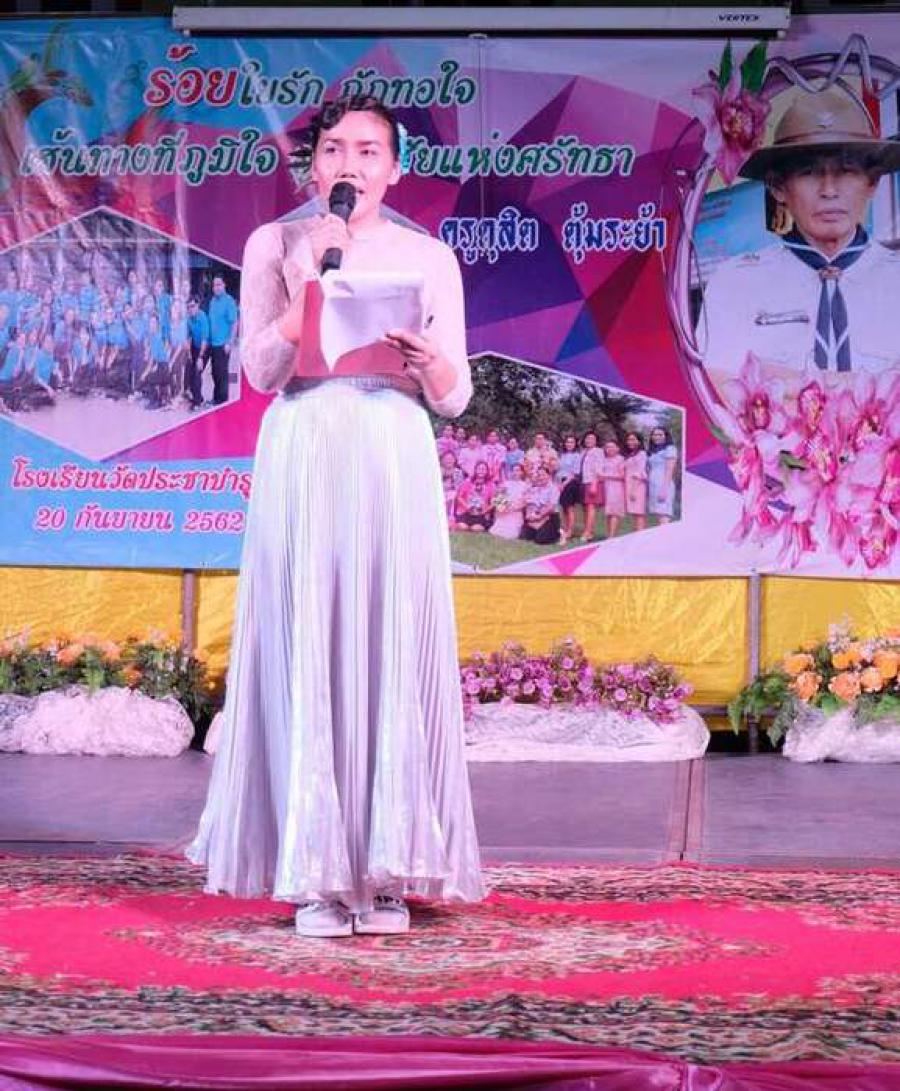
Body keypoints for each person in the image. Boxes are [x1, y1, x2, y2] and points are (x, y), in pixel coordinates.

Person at [188, 95, 484, 939]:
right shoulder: (274, 244)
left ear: (395, 168)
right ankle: (315, 871)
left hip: (391, 445)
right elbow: (258, 371)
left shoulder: (428, 257)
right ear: (313, 165)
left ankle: (388, 867)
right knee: (307, 636)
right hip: (307, 440)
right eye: (333, 150)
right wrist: (310, 289)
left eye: (367, 150)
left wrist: (429, 364)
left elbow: (457, 396)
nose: (348, 164)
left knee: (392, 637)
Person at [699, 85, 900, 381]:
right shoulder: (735, 282)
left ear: (872, 183)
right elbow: (715, 385)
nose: (829, 191)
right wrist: (865, 384)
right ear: (778, 187)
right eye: (809, 172)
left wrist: (781, 379)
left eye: (846, 171)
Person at [207, 274, 238, 404]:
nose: (217, 287)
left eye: (219, 284)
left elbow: (234, 323)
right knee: (215, 372)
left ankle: (223, 401)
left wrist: (229, 343)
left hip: (223, 344)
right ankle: (216, 398)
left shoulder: (229, 301)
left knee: (222, 373)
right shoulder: (212, 301)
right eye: (214, 285)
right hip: (213, 344)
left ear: (224, 285)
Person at [520, 464, 561, 544]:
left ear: (549, 476)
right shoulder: (535, 489)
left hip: (549, 516)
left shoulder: (553, 489)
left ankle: (557, 533)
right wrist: (530, 516)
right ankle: (537, 530)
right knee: (524, 536)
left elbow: (550, 507)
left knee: (541, 540)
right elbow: (529, 504)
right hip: (535, 515)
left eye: (543, 475)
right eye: (539, 475)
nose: (541, 477)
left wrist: (539, 516)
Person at [647, 426, 679, 524]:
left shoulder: (670, 449)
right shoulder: (653, 451)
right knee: (659, 514)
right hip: (653, 485)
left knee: (664, 514)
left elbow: (670, 469)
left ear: (666, 436)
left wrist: (664, 489)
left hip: (663, 484)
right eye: (654, 435)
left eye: (660, 434)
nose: (657, 437)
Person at [489, 461, 528, 540]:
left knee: (511, 535)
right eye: (513, 470)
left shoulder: (525, 486)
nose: (515, 473)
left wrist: (513, 508)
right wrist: (502, 508)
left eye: (517, 470)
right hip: (504, 512)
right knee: (495, 531)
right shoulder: (506, 484)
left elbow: (525, 502)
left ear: (522, 472)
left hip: (516, 512)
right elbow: (497, 499)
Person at [455, 459, 495, 531]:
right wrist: (467, 507)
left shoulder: (491, 485)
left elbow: (494, 501)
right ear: (475, 470)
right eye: (479, 469)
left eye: (483, 469)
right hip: (467, 511)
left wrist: (485, 510)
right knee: (463, 527)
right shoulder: (468, 482)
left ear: (487, 471)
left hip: (482, 513)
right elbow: (459, 497)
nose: (481, 471)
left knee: (475, 528)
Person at [579, 430, 604, 542]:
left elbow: (599, 468)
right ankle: (589, 531)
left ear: (596, 441)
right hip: (584, 481)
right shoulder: (584, 451)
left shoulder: (598, 451)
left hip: (592, 482)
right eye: (587, 438)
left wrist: (594, 484)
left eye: (592, 439)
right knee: (585, 508)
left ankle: (587, 532)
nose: (589, 440)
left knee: (591, 507)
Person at [556, 434, 582, 542]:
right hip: (560, 482)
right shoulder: (562, 455)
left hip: (570, 482)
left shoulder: (577, 456)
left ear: (575, 444)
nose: (569, 444)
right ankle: (565, 528)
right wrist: (558, 483)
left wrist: (564, 483)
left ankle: (570, 531)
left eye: (571, 442)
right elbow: (558, 470)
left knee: (569, 507)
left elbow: (575, 473)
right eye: (567, 442)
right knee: (563, 507)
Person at [186, 297, 210, 409]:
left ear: (198, 305)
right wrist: (189, 353)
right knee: (190, 373)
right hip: (195, 347)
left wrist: (200, 357)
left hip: (205, 348)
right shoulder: (189, 319)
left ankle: (198, 402)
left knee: (197, 372)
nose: (190, 309)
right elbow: (189, 336)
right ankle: (197, 398)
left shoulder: (202, 318)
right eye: (188, 307)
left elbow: (205, 339)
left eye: (192, 306)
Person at [599, 438, 625, 538]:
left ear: (617, 448)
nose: (609, 449)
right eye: (607, 447)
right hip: (606, 487)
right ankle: (609, 534)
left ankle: (612, 535)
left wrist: (606, 476)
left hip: (616, 487)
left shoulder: (620, 459)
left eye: (612, 447)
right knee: (608, 512)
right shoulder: (604, 460)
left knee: (614, 512)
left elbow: (622, 476)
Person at [623, 431, 648, 532]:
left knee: (639, 512)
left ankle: (641, 536)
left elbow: (640, 472)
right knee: (634, 512)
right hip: (629, 484)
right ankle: (637, 533)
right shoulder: (631, 454)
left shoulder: (642, 454)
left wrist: (634, 490)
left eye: (633, 439)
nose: (630, 442)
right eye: (629, 440)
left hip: (637, 486)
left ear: (639, 441)